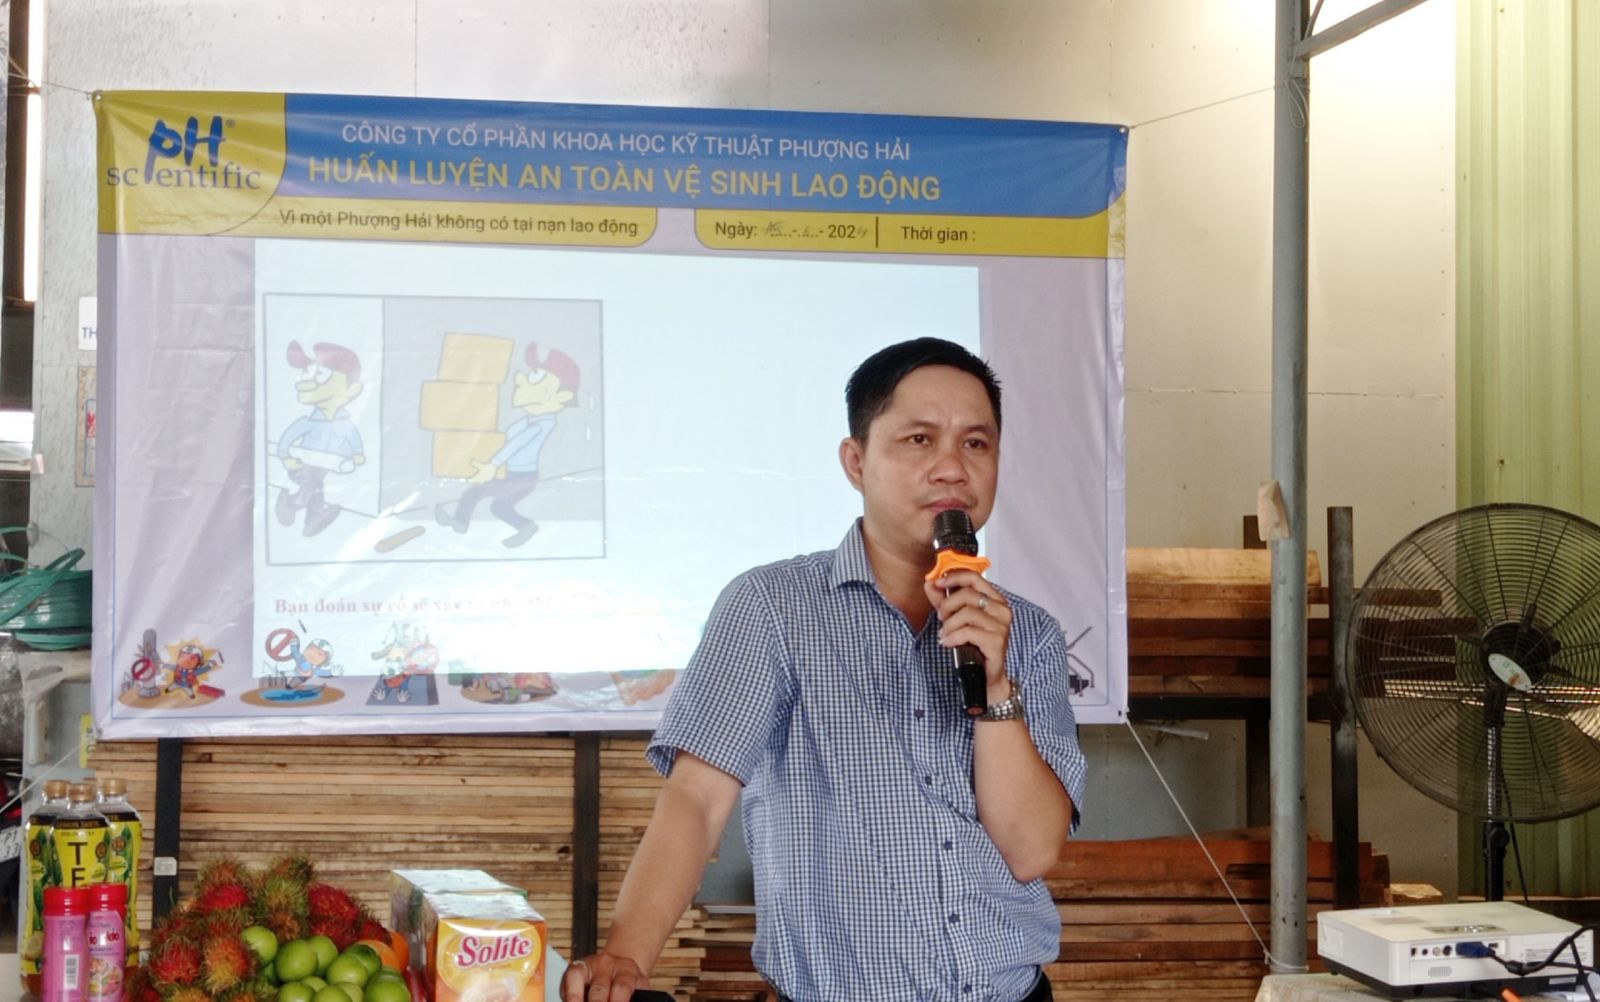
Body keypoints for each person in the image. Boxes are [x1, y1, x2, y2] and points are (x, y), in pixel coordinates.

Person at [564, 338, 1086, 1002]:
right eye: (920, 440)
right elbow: (697, 800)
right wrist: (627, 955)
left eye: (976, 444)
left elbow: (1032, 850)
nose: (952, 468)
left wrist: (996, 686)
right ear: (855, 461)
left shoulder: (1028, 633)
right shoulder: (773, 608)